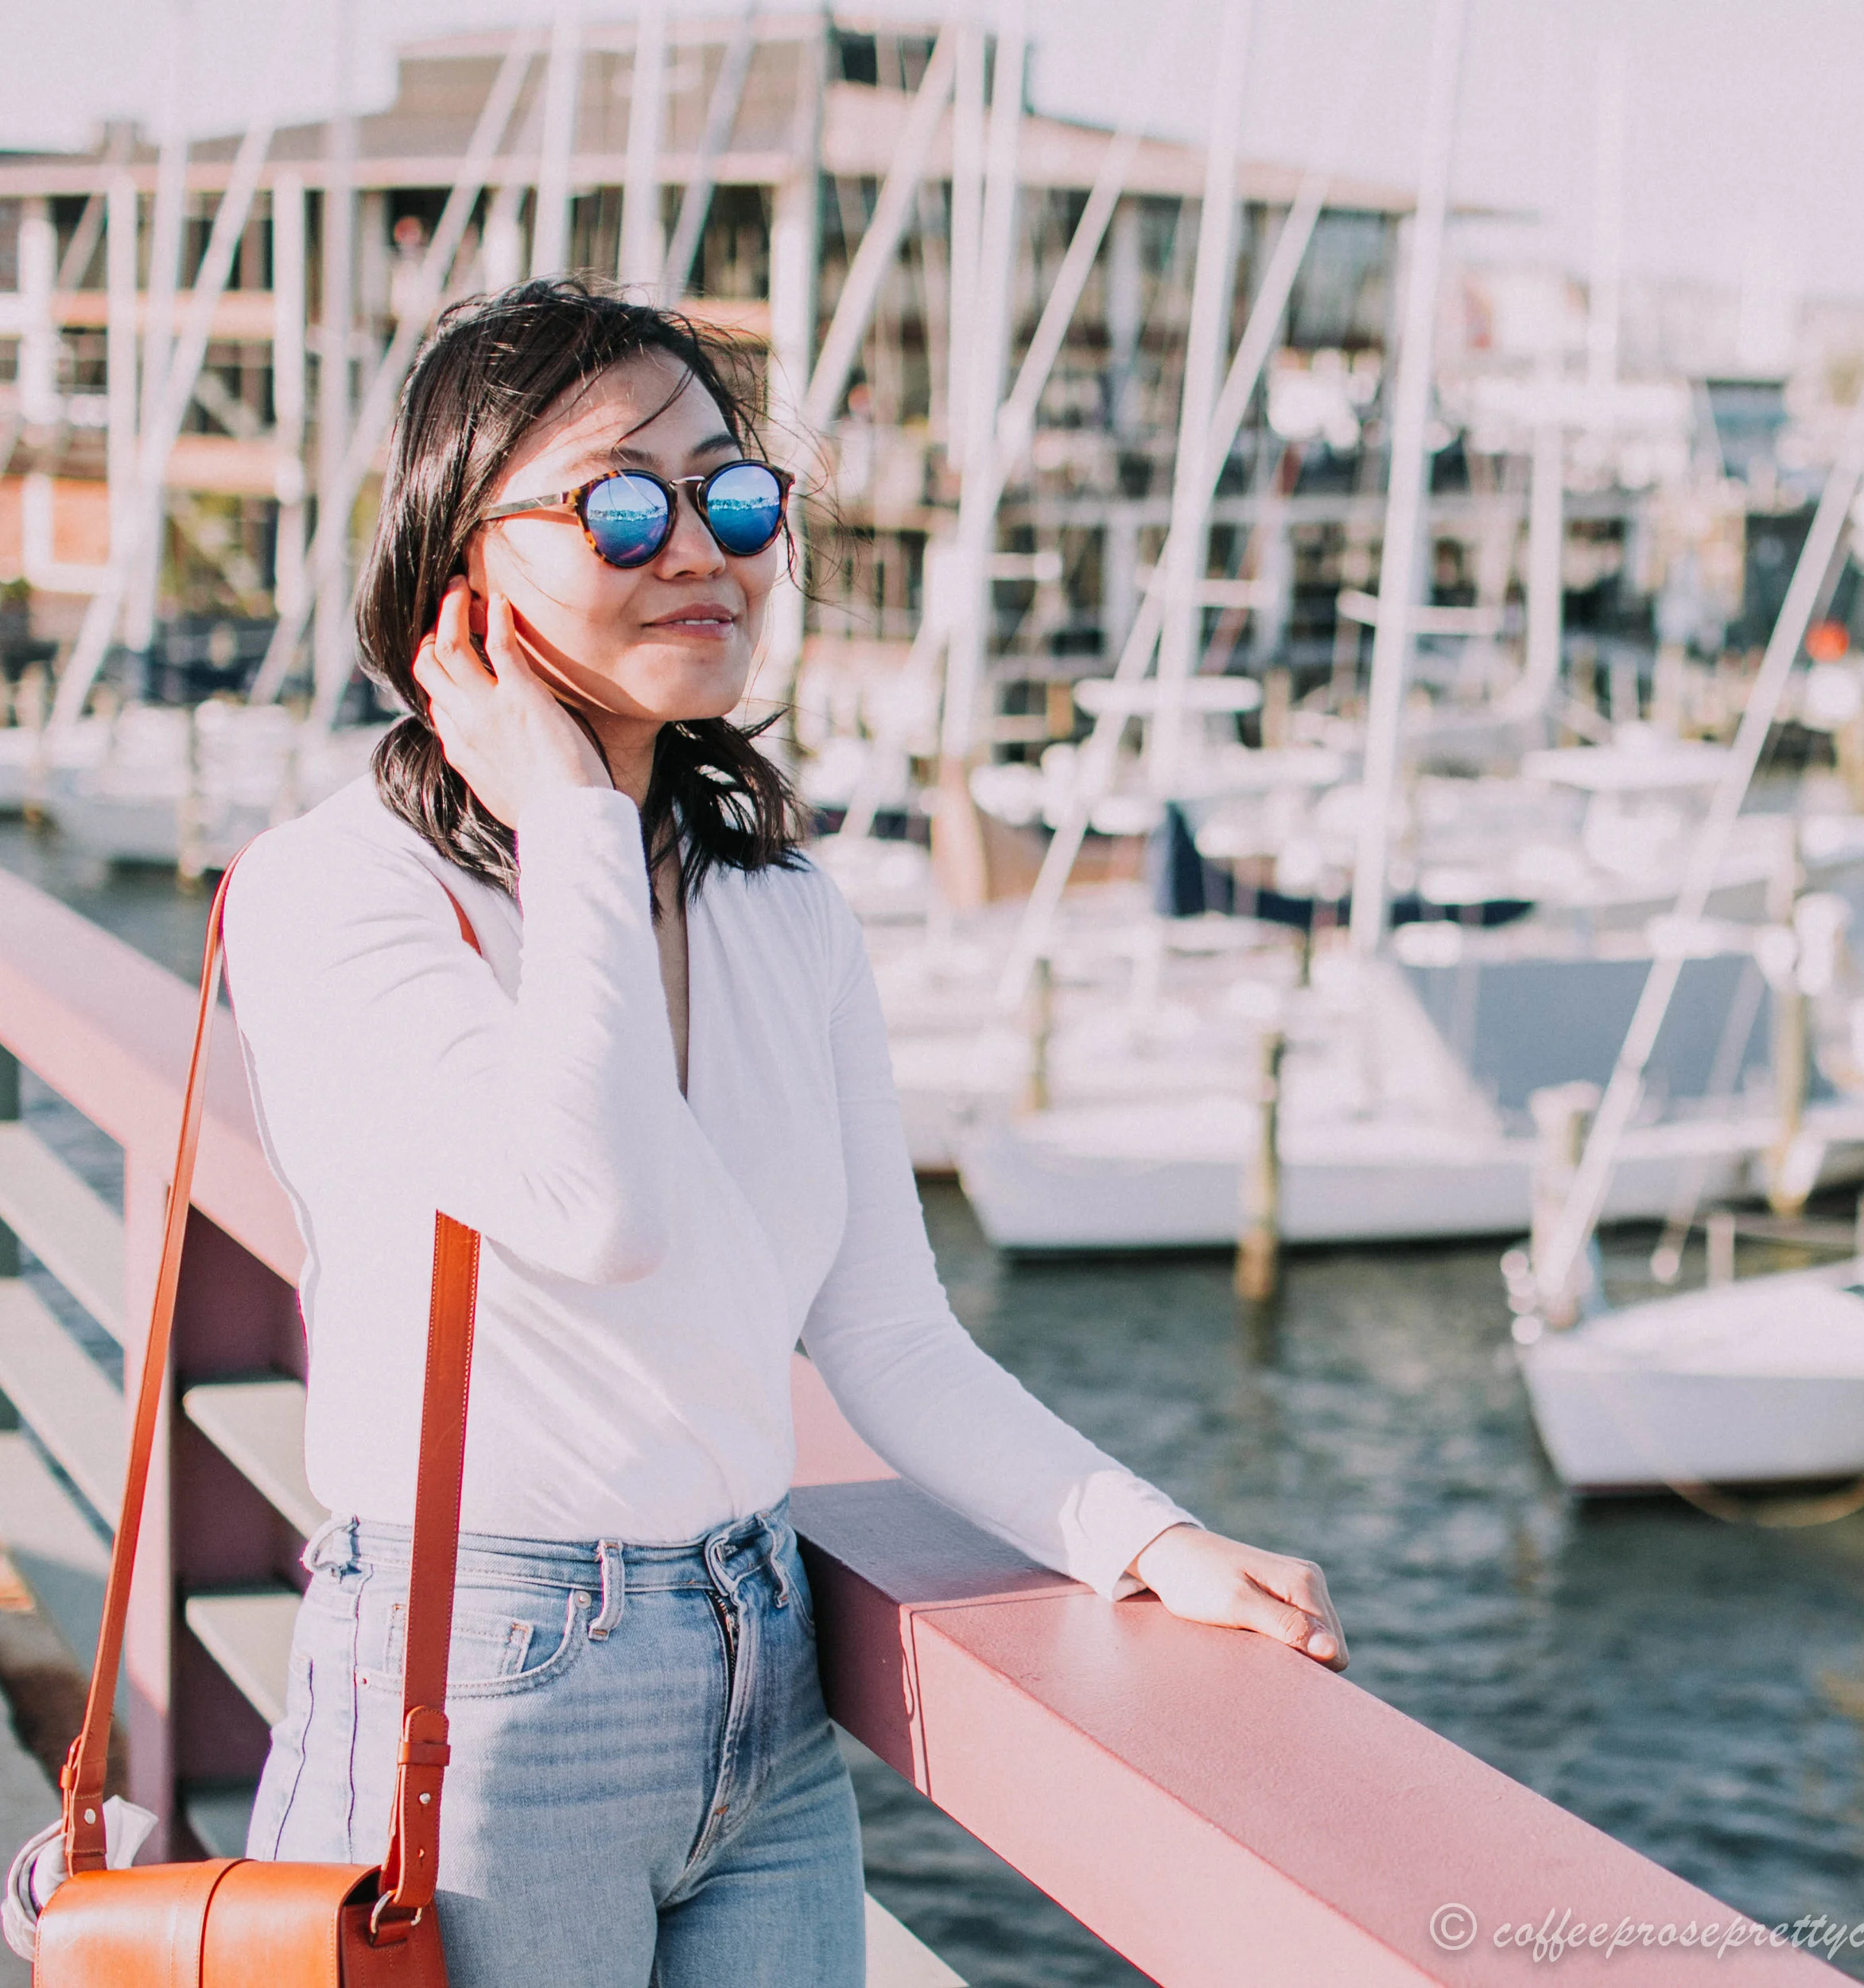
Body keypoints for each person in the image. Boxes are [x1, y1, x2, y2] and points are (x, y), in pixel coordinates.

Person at [222, 278, 1346, 1988]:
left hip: (762, 1666)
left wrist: (1146, 1540)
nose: (699, 550)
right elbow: (589, 1202)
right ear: (462, 568)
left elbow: (887, 1334)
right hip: (475, 1689)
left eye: (732, 495)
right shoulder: (336, 893)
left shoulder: (781, 909)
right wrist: (574, 819)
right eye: (620, 507)